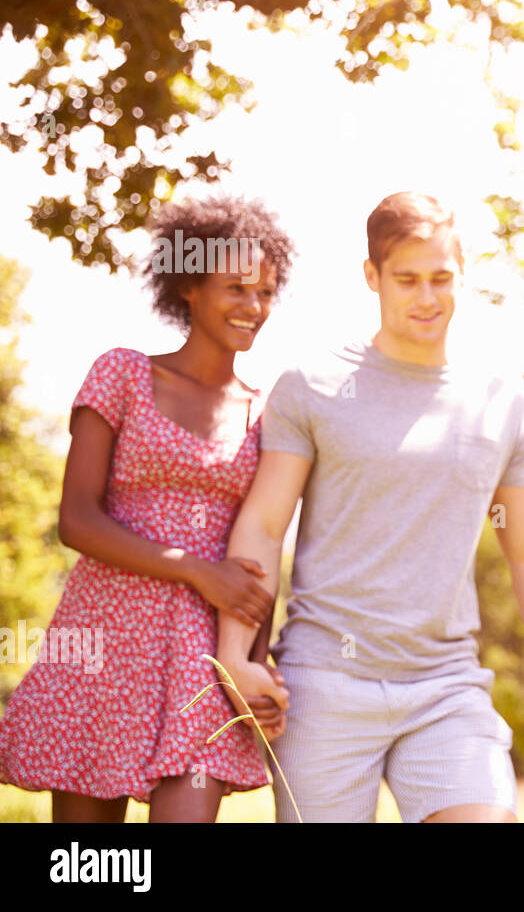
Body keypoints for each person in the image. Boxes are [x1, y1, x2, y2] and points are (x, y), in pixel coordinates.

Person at [216, 192, 524, 822]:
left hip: (446, 687)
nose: (426, 298)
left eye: (440, 278)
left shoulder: (497, 403)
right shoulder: (312, 386)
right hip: (324, 683)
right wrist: (235, 654)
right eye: (406, 280)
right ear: (372, 276)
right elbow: (264, 527)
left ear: (461, 273)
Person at [0, 191, 295, 822]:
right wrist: (195, 568)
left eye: (266, 292)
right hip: (100, 642)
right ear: (189, 285)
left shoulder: (269, 412)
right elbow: (77, 520)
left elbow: (262, 544)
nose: (253, 306)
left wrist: (252, 660)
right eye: (237, 288)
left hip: (202, 657)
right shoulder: (123, 375)